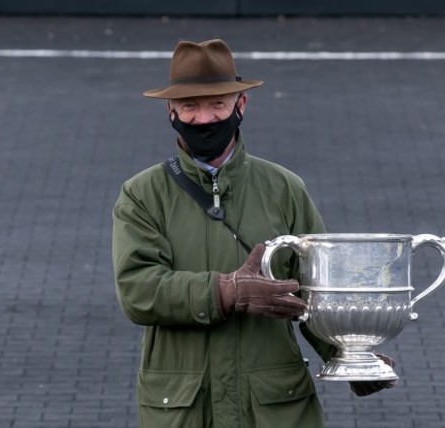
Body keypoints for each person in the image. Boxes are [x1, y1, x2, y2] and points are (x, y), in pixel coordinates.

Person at [112, 38, 395, 428]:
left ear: (240, 106)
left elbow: (317, 289)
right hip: (184, 410)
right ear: (170, 112)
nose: (204, 118)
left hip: (274, 406)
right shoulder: (142, 195)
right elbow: (138, 292)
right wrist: (228, 291)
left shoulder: (284, 188)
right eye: (189, 106)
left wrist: (346, 354)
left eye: (217, 104)